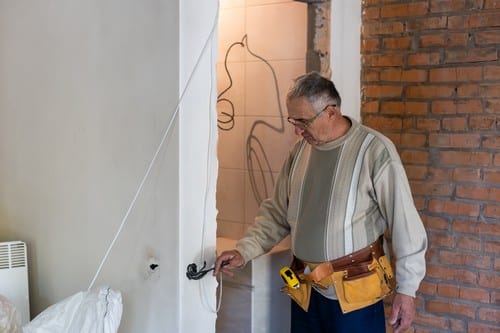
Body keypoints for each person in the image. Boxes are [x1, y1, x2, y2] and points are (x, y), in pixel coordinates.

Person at [214, 72, 427, 333]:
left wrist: (407, 290)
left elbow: (405, 224)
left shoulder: (375, 151)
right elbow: (277, 213)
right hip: (305, 292)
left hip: (354, 297)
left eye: (303, 121)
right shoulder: (300, 151)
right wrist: (243, 251)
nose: (297, 129)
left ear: (331, 112)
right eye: (293, 120)